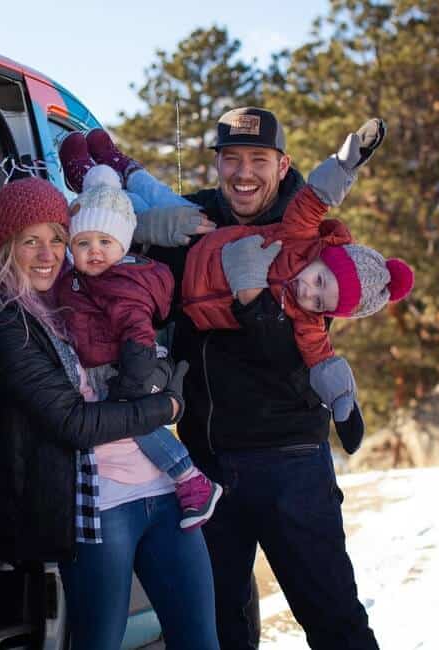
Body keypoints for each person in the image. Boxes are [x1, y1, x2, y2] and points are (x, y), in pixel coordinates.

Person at [104, 106, 383, 649]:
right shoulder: (196, 218)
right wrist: (142, 230)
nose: (244, 173)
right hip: (205, 464)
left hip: (289, 461)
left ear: (283, 165)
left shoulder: (309, 236)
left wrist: (252, 296)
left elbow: (295, 351)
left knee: (333, 618)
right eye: (231, 159)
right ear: (218, 165)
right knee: (219, 625)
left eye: (259, 159)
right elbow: (111, 247)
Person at [0, 176, 219, 650]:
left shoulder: (76, 292)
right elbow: (73, 424)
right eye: (29, 241)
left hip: (164, 491)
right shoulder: (3, 320)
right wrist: (167, 406)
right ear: (4, 247)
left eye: (57, 238)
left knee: (200, 641)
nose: (46, 253)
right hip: (102, 504)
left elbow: (121, 241)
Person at [59, 121, 414, 454]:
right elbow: (316, 197)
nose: (310, 294)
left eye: (322, 302)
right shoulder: (299, 235)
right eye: (319, 281)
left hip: (190, 304)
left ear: (282, 165)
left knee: (133, 209)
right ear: (327, 256)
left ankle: (94, 181)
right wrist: (347, 161)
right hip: (203, 236)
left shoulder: (304, 318)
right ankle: (114, 168)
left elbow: (322, 358)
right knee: (159, 197)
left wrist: (344, 406)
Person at [54, 165, 223, 530]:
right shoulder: (83, 279)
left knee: (134, 425)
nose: (94, 251)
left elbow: (136, 332)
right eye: (83, 244)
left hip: (127, 366)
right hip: (106, 366)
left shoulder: (121, 283)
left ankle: (189, 476)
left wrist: (130, 385)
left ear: (123, 244)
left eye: (105, 243)